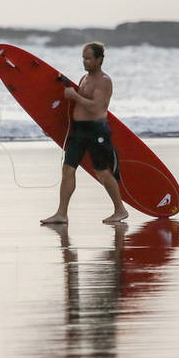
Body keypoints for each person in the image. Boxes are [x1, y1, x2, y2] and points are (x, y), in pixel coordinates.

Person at [40, 42, 129, 225]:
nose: (85, 61)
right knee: (68, 169)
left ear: (99, 59)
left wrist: (74, 96)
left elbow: (96, 107)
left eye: (89, 58)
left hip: (97, 130)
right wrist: (52, 127)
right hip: (78, 131)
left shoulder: (104, 81)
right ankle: (61, 214)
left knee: (102, 172)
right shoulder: (84, 78)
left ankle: (120, 210)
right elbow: (76, 107)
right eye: (83, 58)